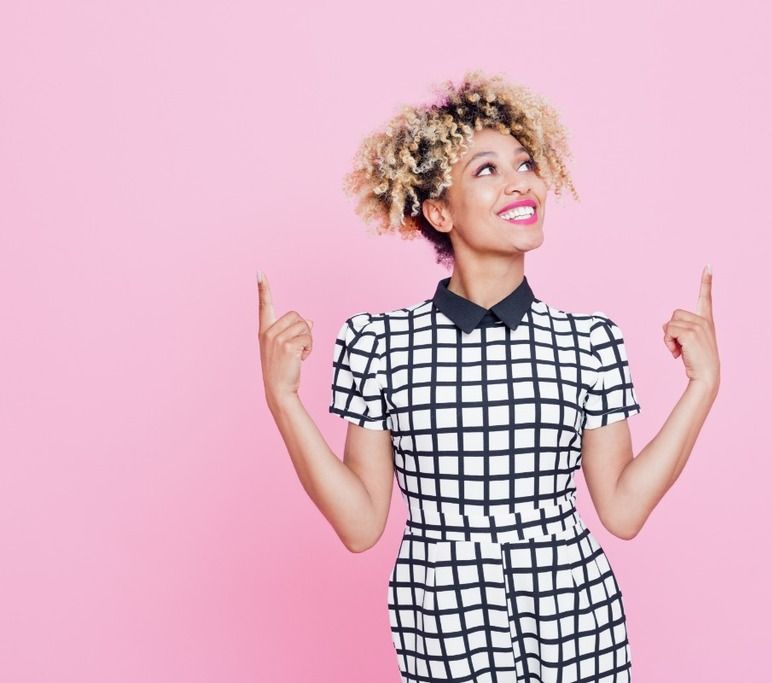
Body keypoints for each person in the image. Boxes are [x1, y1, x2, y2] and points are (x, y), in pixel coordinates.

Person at [257, 69, 721, 683]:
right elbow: (361, 524)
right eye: (487, 169)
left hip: (575, 625)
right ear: (440, 211)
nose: (520, 182)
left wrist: (702, 387)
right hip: (443, 627)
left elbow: (624, 510)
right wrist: (285, 400)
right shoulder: (379, 344)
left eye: (525, 164)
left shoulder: (588, 341)